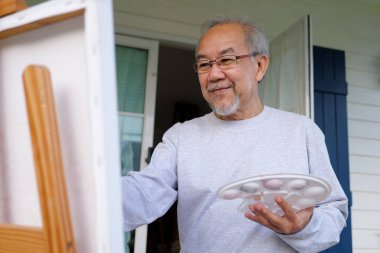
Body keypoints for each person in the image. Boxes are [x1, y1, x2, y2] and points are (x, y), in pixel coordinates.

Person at [122, 16, 348, 253]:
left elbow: (334, 214)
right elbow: (144, 193)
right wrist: (86, 196)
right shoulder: (181, 136)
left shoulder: (301, 130)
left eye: (227, 60)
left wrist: (302, 228)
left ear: (260, 66)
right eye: (204, 64)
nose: (214, 74)